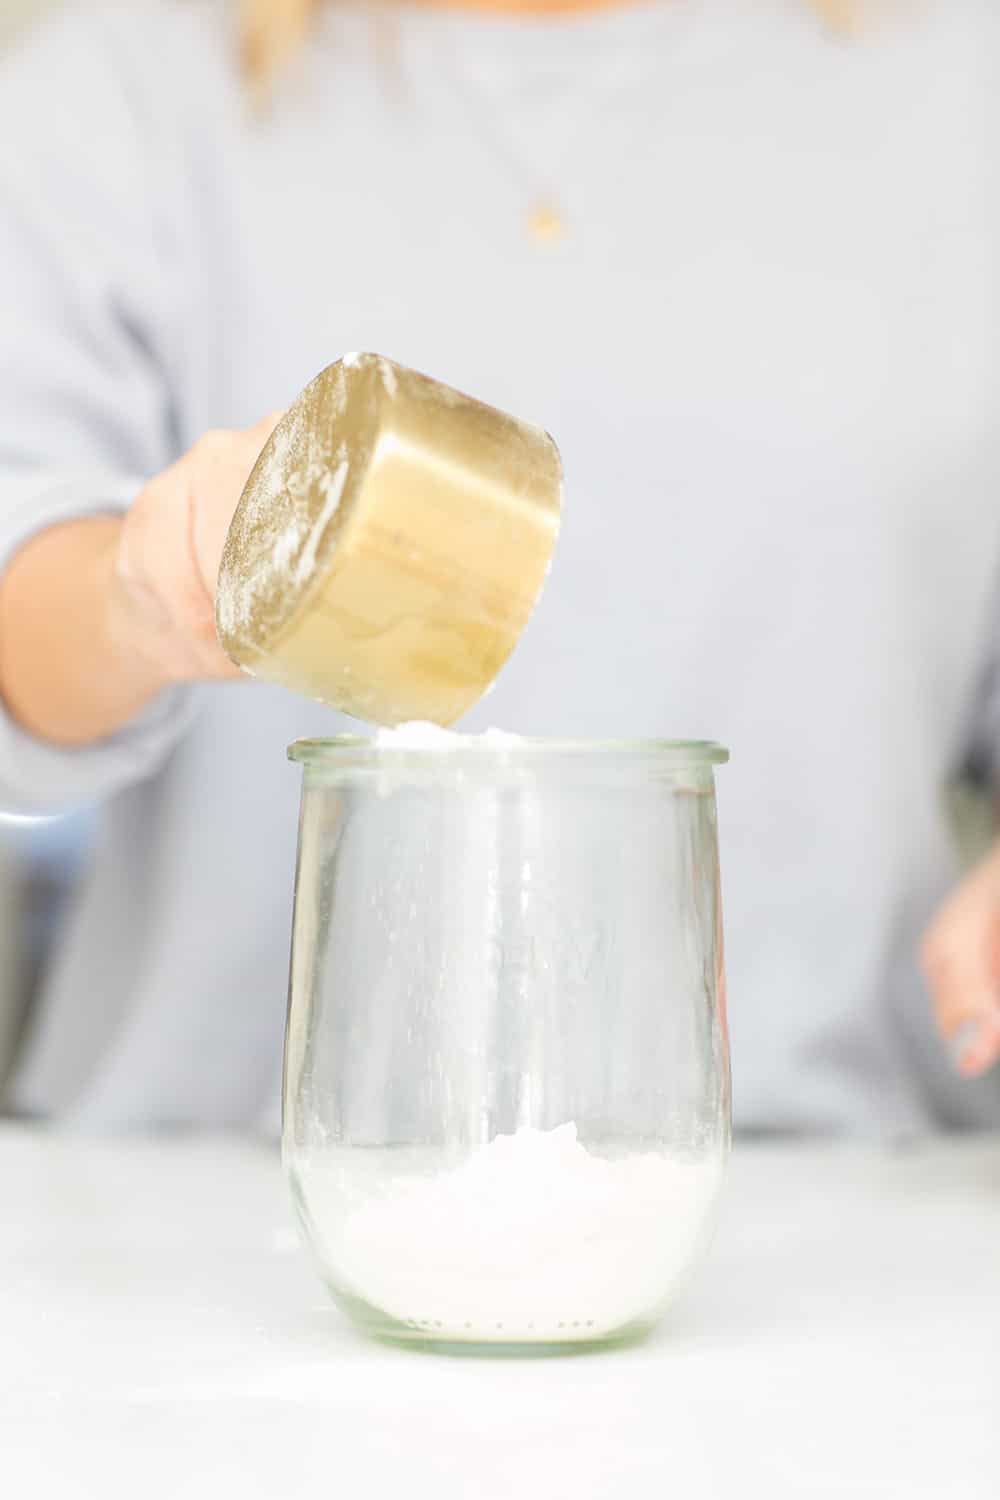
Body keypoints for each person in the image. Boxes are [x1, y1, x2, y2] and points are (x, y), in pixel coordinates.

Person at [0, 0, 997, 1132]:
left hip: (859, 1189)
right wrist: (140, 602)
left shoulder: (964, 84)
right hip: (201, 1193)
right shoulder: (127, 78)